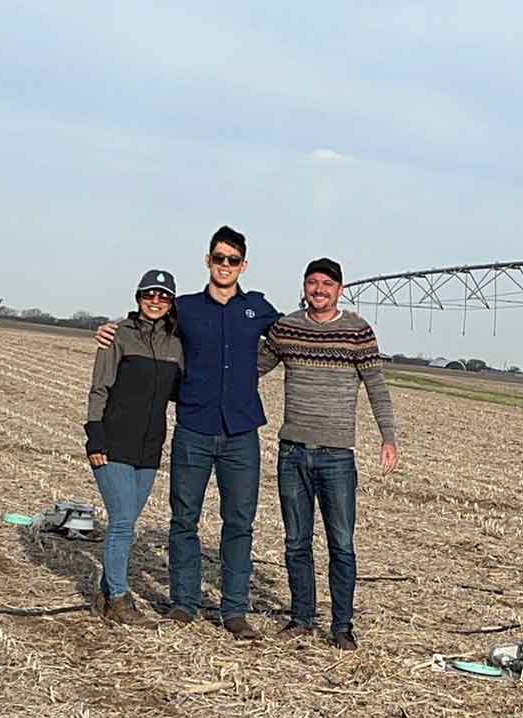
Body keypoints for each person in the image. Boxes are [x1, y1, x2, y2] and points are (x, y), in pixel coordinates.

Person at [95, 227, 281, 639]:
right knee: (184, 520)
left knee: (239, 523)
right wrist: (110, 329)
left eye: (233, 260)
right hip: (193, 429)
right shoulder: (187, 309)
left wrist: (254, 372)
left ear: (243, 265)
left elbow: (289, 339)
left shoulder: (257, 308)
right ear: (208, 261)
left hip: (241, 432)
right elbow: (148, 323)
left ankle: (234, 611)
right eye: (219, 258)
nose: (225, 266)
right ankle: (184, 603)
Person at [256, 257, 398, 650]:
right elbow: (251, 367)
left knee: (341, 543)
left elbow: (376, 386)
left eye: (327, 284)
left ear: (340, 289)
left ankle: (341, 626)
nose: (319, 289)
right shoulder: (287, 328)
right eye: (312, 283)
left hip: (336, 455)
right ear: (304, 287)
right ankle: (301, 617)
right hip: (292, 452)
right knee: (296, 541)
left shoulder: (357, 332)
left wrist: (388, 437)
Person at [84, 269, 185, 626]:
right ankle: (121, 599)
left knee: (125, 522)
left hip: (149, 447)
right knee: (124, 521)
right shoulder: (117, 336)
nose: (155, 301)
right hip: (113, 442)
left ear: (171, 302)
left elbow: (181, 390)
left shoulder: (177, 343)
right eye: (149, 294)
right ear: (138, 297)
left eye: (163, 296)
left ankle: (105, 592)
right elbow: (99, 389)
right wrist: (94, 435)